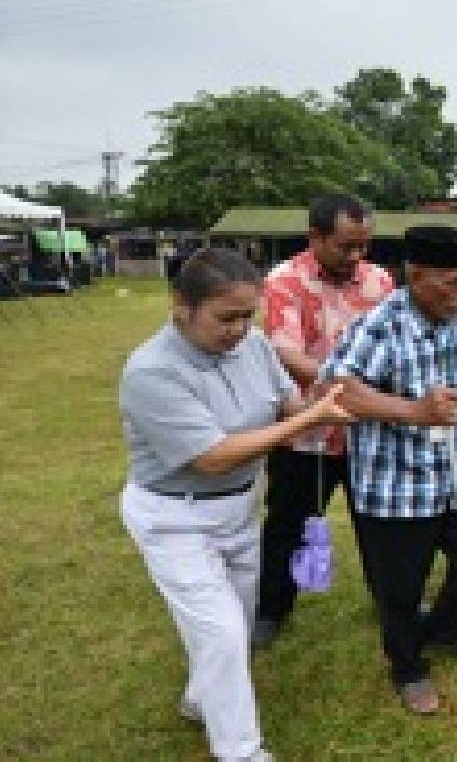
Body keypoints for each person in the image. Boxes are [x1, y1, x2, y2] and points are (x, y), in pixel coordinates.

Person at [118, 249, 352, 762]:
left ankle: (203, 699)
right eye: (227, 317)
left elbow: (287, 403)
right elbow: (214, 457)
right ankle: (241, 752)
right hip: (174, 519)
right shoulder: (151, 371)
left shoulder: (255, 347)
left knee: (236, 626)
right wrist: (307, 422)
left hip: (238, 510)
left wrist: (331, 405)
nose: (240, 329)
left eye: (249, 315)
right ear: (181, 306)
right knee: (222, 630)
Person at [320, 225, 457, 715]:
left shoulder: (456, 319)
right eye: (453, 283)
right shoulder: (380, 326)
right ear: (415, 274)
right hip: (395, 486)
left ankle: (444, 628)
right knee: (400, 589)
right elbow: (335, 392)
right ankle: (407, 665)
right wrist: (413, 411)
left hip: (451, 476)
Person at [252, 194, 395, 650]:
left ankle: (394, 602)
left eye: (363, 247)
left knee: (382, 526)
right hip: (304, 431)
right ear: (314, 237)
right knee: (288, 525)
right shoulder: (284, 282)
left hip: (365, 433)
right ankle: (271, 608)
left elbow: (392, 344)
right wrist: (343, 387)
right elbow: (286, 353)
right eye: (344, 247)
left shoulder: (379, 282)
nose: (355, 258)